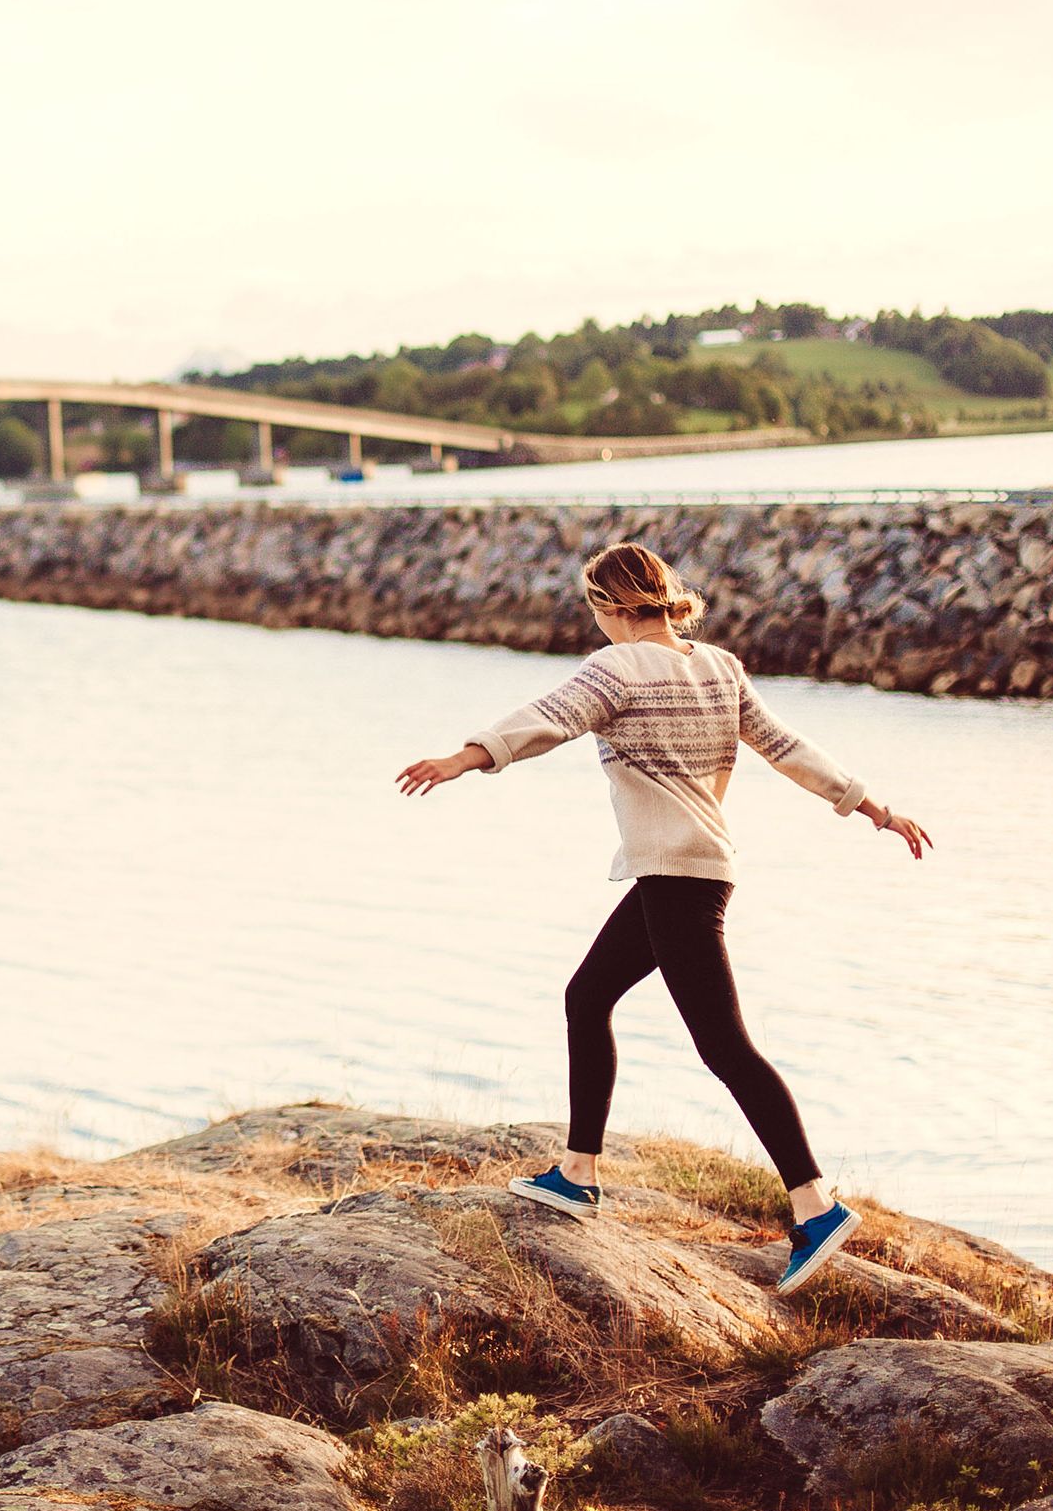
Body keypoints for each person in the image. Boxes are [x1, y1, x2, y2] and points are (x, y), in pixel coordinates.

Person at [395, 540, 932, 1295]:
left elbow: (548, 720)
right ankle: (577, 1173)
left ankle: (814, 1205)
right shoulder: (718, 666)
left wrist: (466, 757)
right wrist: (871, 806)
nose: (597, 622)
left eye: (595, 609)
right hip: (686, 872)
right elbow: (787, 748)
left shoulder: (614, 667)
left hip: (678, 876)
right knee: (587, 998)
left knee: (723, 1046)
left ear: (611, 608)